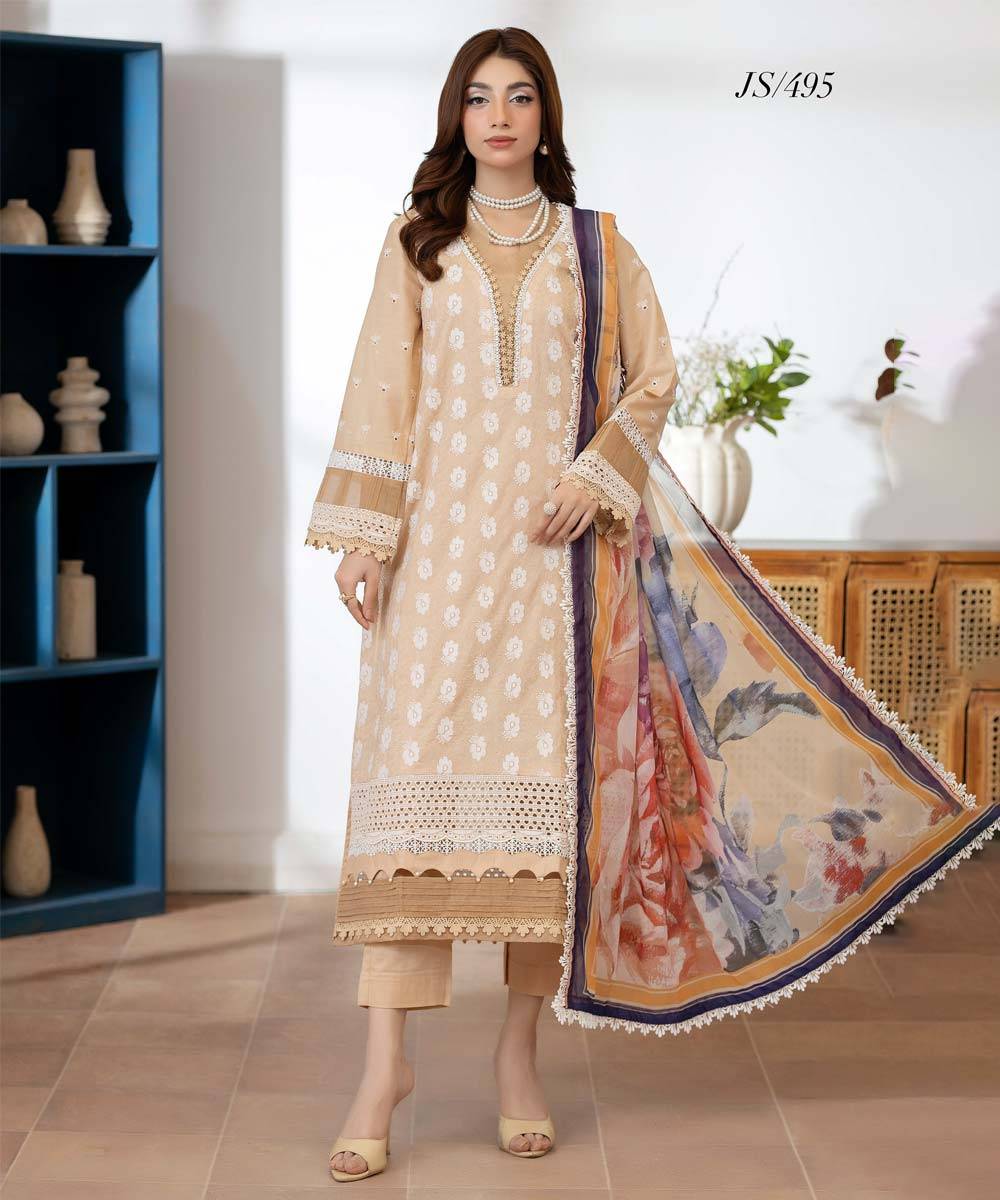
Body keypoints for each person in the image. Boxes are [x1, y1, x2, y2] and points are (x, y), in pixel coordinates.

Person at [305, 27, 999, 1186]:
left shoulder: (596, 246)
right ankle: (384, 1070)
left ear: (546, 114)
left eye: (519, 96)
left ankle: (517, 1061)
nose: (498, 116)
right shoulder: (416, 241)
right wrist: (364, 543)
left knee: (545, 837)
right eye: (478, 97)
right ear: (454, 116)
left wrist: (595, 476)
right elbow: (379, 394)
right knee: (406, 825)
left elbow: (654, 374)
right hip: (435, 573)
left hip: (556, 579)